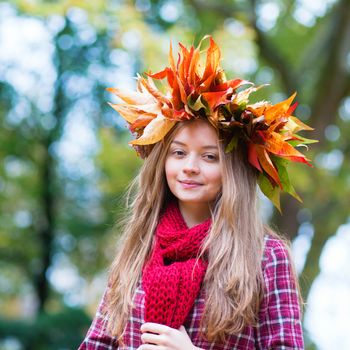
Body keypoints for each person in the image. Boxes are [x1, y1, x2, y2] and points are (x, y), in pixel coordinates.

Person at [79, 35, 315, 350]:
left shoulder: (266, 256)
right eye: (178, 153)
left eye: (209, 156)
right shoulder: (139, 248)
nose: (190, 166)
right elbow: (97, 343)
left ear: (232, 172)